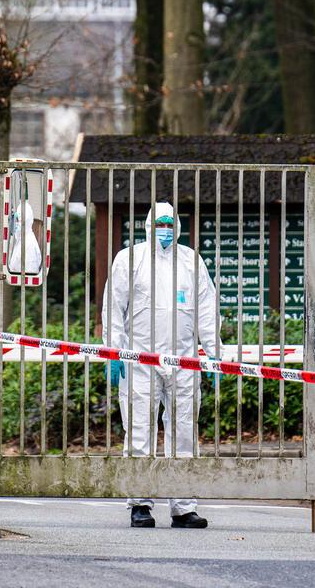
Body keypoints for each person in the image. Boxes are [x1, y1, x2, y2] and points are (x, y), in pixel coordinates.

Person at [105, 201, 221, 529]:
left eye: (171, 224)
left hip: (184, 360)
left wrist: (213, 353)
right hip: (139, 360)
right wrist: (114, 351)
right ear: (148, 226)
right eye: (160, 224)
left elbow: (206, 309)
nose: (166, 231)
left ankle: (183, 506)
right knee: (140, 429)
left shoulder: (190, 261)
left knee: (184, 430)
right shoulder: (130, 260)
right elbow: (114, 308)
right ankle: (140, 503)